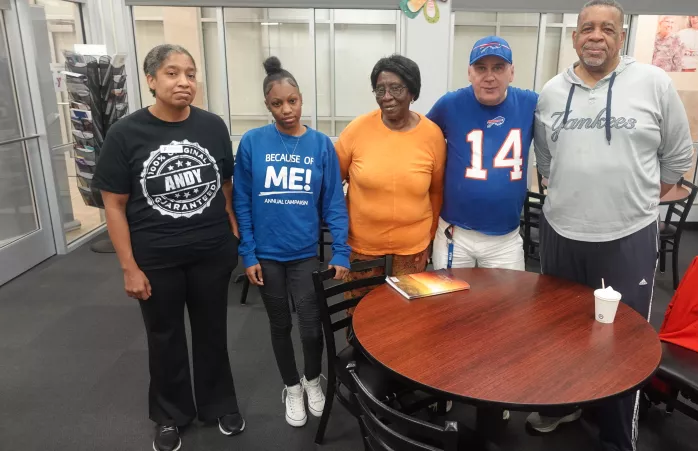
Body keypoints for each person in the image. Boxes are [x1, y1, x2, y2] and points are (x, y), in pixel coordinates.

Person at [532, 1, 693, 450]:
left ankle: (618, 435)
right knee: (560, 331)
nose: (596, 36)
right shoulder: (550, 91)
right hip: (561, 233)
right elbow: (547, 160)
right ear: (575, 38)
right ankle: (563, 406)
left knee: (623, 342)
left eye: (607, 28)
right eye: (587, 28)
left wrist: (633, 198)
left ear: (621, 37)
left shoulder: (653, 83)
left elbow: (677, 159)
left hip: (627, 237)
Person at [93, 44, 245, 451]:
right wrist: (129, 266)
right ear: (151, 80)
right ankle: (170, 414)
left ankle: (219, 404)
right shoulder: (126, 134)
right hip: (156, 257)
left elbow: (225, 186)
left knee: (213, 333)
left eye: (191, 74)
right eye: (173, 73)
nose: (184, 82)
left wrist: (231, 233)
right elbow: (114, 204)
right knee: (165, 338)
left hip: (211, 252)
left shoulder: (212, 127)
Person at [233, 56, 351, 429]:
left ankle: (312, 380)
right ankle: (291, 387)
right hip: (267, 257)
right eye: (277, 103)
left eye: (293, 101)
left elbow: (333, 201)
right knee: (280, 325)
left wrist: (342, 250)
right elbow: (242, 202)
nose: (286, 110)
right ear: (268, 105)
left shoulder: (320, 145)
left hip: (303, 256)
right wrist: (247, 252)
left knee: (312, 327)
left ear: (302, 100)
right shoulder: (253, 142)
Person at [335, 54, 445, 300]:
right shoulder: (356, 131)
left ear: (413, 92)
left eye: (396, 88)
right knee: (360, 315)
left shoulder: (432, 135)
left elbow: (436, 191)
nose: (387, 97)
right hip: (363, 248)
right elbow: (332, 186)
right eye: (380, 89)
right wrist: (341, 233)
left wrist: (430, 237)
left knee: (404, 319)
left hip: (412, 250)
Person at [427, 35, 538, 272]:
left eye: (498, 68)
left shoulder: (531, 103)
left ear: (512, 72)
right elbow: (420, 141)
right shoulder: (449, 104)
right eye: (481, 68)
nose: (489, 77)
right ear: (469, 72)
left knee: (507, 307)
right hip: (455, 233)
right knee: (449, 306)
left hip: (505, 239)